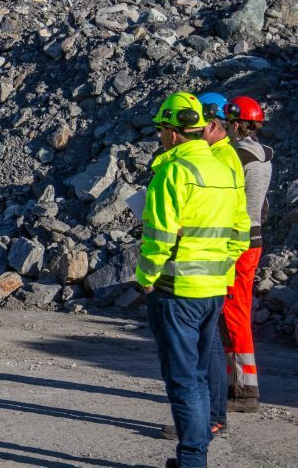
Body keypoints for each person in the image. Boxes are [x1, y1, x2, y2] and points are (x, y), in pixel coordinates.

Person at [137, 92, 247, 468]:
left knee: (183, 382)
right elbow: (240, 233)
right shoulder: (224, 169)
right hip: (213, 289)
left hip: (176, 290)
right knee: (198, 377)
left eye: (161, 130)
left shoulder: (173, 171)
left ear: (173, 131)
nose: (160, 137)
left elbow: (159, 236)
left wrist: (146, 277)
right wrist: (217, 263)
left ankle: (191, 461)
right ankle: (195, 454)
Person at [223, 95, 274, 413]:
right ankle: (237, 383)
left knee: (233, 311)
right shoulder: (264, 157)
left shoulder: (238, 157)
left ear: (239, 124)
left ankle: (244, 391)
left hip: (239, 243)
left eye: (230, 123)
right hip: (253, 239)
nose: (226, 128)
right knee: (236, 309)